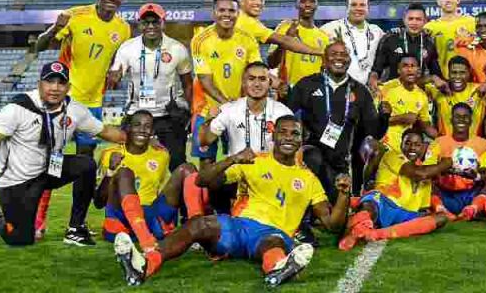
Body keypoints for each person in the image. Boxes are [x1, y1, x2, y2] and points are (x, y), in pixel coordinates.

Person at [113, 116, 351, 288]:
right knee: (199, 225)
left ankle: (278, 270)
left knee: (273, 243)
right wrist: (233, 158)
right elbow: (202, 180)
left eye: (295, 134)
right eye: (283, 132)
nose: (288, 138)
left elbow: (332, 224)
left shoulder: (309, 179)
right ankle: (146, 264)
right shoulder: (254, 162)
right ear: (273, 135)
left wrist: (343, 195)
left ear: (302, 139)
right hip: (238, 227)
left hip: (274, 233)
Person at [0, 62, 126, 247]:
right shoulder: (18, 107)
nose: (55, 88)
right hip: (16, 180)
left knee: (86, 165)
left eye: (61, 83)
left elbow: (106, 132)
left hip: (48, 171)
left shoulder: (75, 110)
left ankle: (75, 228)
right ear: (39, 84)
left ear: (68, 87)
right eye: (50, 82)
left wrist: (142, 137)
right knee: (20, 238)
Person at [33, 0, 131, 159]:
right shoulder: (75, 16)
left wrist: (119, 71)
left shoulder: (123, 28)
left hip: (93, 101)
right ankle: (42, 188)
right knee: (52, 152)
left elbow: (118, 62)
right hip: (65, 97)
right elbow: (39, 46)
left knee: (86, 156)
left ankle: (83, 189)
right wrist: (55, 28)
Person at [288, 41, 385, 201]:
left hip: (342, 160)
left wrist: (384, 117)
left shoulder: (359, 91)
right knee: (313, 157)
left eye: (343, 54)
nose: (339, 58)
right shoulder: (307, 85)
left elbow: (372, 131)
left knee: (339, 210)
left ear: (349, 60)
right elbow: (288, 117)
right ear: (324, 60)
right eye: (334, 54)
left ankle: (352, 195)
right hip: (311, 155)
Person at [94, 110, 201, 247]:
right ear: (128, 128)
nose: (142, 130)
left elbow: (163, 189)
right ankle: (147, 242)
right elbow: (98, 203)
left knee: (187, 169)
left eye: (147, 126)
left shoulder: (161, 154)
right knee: (125, 173)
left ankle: (196, 228)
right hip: (121, 218)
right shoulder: (109, 154)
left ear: (152, 131)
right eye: (137, 125)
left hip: (150, 214)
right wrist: (110, 171)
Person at [107, 3, 193, 170]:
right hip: (136, 114)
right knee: (125, 164)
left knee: (178, 164)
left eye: (155, 22)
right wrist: (114, 77)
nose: (151, 26)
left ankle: (177, 196)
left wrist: (191, 111)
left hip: (167, 115)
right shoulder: (128, 48)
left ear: (163, 23)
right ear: (139, 24)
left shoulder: (177, 49)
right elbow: (117, 71)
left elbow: (187, 83)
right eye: (146, 22)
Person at [338, 129, 452, 250]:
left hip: (403, 214)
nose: (412, 148)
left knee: (441, 218)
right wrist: (446, 163)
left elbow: (423, 204)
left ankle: (376, 234)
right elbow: (420, 173)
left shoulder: (427, 170)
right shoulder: (394, 156)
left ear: (423, 147)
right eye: (407, 143)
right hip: (383, 203)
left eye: (417, 145)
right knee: (370, 205)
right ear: (401, 144)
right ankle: (353, 234)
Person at [190, 0, 262, 167]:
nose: (227, 14)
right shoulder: (200, 40)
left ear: (238, 14)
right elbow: (204, 80)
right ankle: (208, 195)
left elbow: (256, 72)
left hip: (240, 109)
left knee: (243, 159)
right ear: (214, 13)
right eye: (222, 10)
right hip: (208, 109)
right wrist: (226, 104)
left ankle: (237, 195)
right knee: (207, 162)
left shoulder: (248, 39)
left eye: (232, 10)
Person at [198, 62, 295, 157]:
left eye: (262, 79)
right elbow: (205, 141)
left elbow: (293, 149)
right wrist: (208, 120)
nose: (257, 84)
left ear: (270, 83)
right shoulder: (229, 109)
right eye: (251, 79)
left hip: (270, 171)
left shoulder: (283, 113)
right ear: (244, 83)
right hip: (238, 170)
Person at [267, 0, 329, 98]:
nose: (308, 5)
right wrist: (285, 40)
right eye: (303, 1)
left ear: (317, 5)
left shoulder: (324, 37)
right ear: (296, 5)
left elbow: (325, 71)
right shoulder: (285, 27)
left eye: (312, 1)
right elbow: (271, 63)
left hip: (314, 94)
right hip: (289, 92)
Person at [370, 3, 445, 92]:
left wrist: (437, 81)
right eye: (410, 19)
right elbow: (376, 69)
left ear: (425, 21)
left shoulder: (429, 42)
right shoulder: (389, 39)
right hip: (393, 93)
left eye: (418, 19)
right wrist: (373, 79)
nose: (414, 22)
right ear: (404, 20)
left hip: (418, 94)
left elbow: (435, 72)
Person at [238, 0, 324, 58]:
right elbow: (284, 41)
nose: (258, 2)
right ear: (241, 1)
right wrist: (321, 52)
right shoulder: (245, 21)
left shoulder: (323, 36)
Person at [434, 103, 486, 215]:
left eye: (465, 117)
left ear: (470, 121)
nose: (461, 120)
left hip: (470, 194)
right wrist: (442, 169)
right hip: (445, 193)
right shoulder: (438, 143)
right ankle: (440, 209)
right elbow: (429, 170)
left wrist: (475, 175)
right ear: (451, 120)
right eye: (457, 116)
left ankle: (474, 208)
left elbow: (485, 172)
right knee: (426, 181)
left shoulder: (482, 144)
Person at [320, 0, 385, 85]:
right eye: (353, 5)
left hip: (368, 89)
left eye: (362, 5)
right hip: (339, 86)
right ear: (347, 8)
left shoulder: (377, 31)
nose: (358, 8)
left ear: (368, 9)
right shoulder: (330, 28)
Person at [378, 54, 437, 151]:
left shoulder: (421, 96)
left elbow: (426, 127)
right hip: (384, 145)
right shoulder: (386, 89)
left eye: (413, 66)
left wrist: (444, 139)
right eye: (405, 66)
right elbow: (372, 121)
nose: (409, 70)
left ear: (418, 71)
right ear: (398, 70)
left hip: (405, 148)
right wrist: (401, 118)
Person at [424, 0, 476, 79]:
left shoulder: (472, 22)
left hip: (471, 78)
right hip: (444, 79)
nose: (448, 0)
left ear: (458, 0)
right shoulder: (430, 27)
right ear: (438, 2)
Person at [430, 56, 486, 137]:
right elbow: (411, 85)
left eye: (462, 72)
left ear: (469, 73)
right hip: (447, 145)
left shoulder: (478, 89)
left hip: (473, 145)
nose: (458, 76)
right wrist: (432, 78)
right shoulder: (439, 89)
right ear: (448, 73)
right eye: (454, 72)